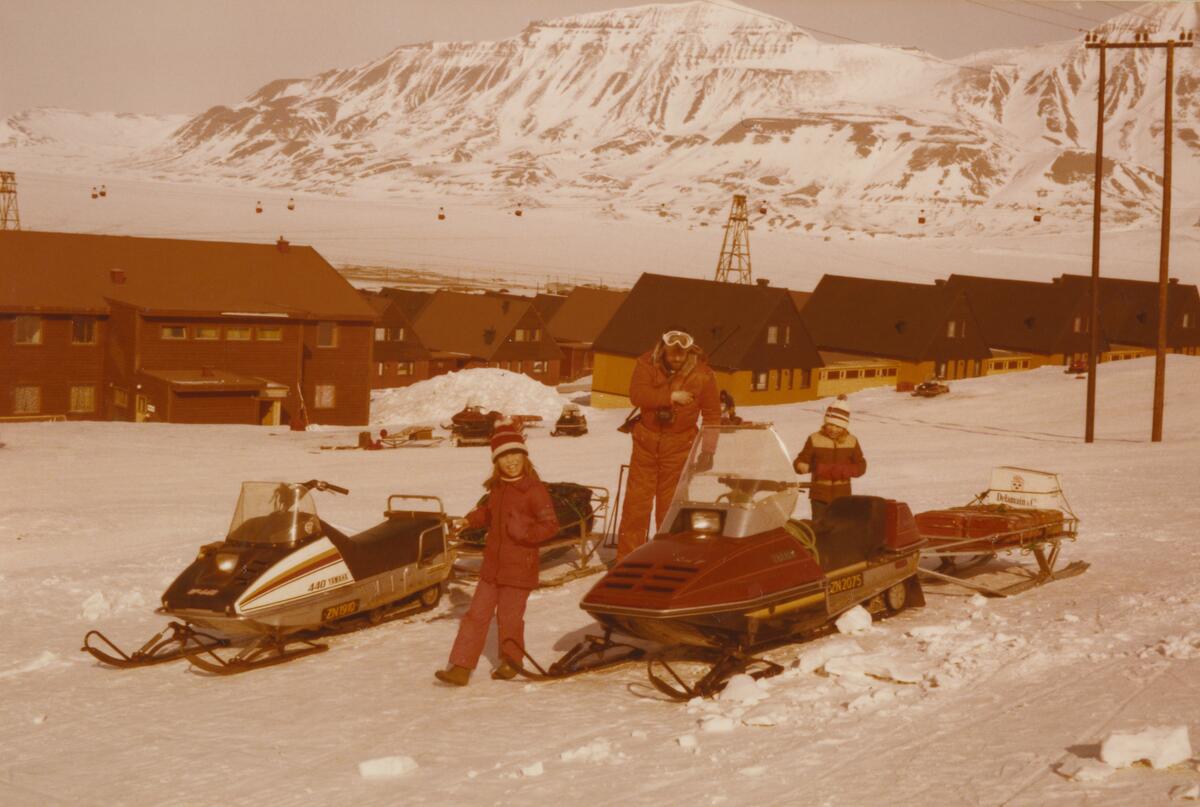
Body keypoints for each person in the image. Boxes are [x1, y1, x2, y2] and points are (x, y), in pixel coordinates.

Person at [435, 423, 560, 687]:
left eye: (515, 454)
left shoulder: (534, 490)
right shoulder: (498, 488)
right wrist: (469, 521)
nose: (511, 461)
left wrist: (525, 533)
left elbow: (550, 526)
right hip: (492, 565)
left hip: (519, 567)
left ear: (524, 456)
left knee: (509, 617)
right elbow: (490, 513)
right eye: (504, 456)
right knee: (476, 615)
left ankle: (511, 661)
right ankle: (460, 667)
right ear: (496, 461)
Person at [616, 329, 721, 559]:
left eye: (681, 354)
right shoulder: (646, 363)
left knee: (670, 508)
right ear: (663, 348)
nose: (676, 358)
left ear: (688, 351)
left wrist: (708, 450)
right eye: (671, 353)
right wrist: (671, 396)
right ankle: (627, 560)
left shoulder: (703, 375)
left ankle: (667, 558)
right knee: (636, 507)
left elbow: (713, 414)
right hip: (645, 444)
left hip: (679, 448)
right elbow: (637, 394)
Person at [792, 395, 867, 522]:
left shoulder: (851, 441)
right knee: (820, 528)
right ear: (825, 423)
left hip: (842, 496)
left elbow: (861, 466)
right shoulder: (814, 439)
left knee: (840, 528)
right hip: (819, 496)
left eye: (838, 426)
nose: (833, 429)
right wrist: (800, 465)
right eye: (830, 425)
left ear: (844, 427)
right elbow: (801, 460)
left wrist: (840, 471)